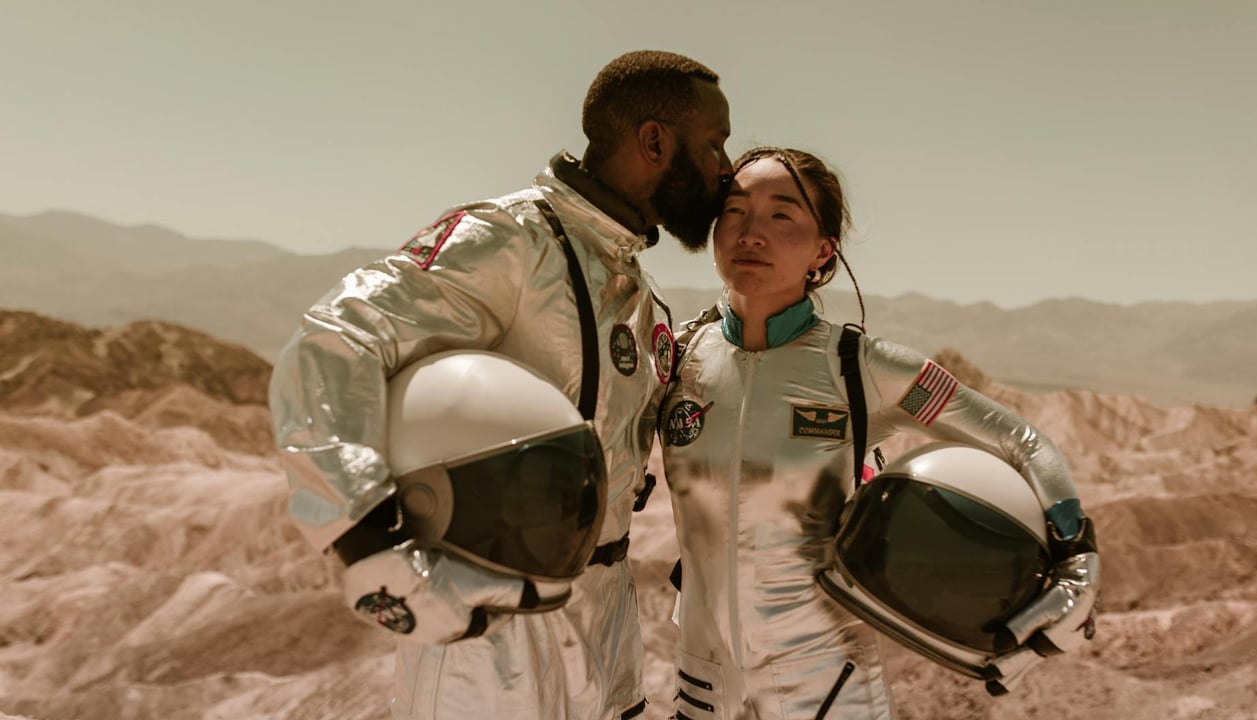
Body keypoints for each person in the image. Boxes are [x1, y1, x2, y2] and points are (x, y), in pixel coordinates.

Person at [268, 50, 732, 720]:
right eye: (715, 143)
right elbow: (338, 340)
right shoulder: (509, 241)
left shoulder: (642, 296)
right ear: (655, 142)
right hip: (490, 633)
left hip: (607, 621)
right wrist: (364, 539)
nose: (725, 167)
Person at [658, 147, 1100, 719]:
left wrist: (1077, 557)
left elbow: (1022, 441)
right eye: (735, 212)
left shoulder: (861, 366)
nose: (751, 233)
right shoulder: (680, 356)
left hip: (826, 683)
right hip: (703, 680)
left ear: (824, 250)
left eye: (781, 214)